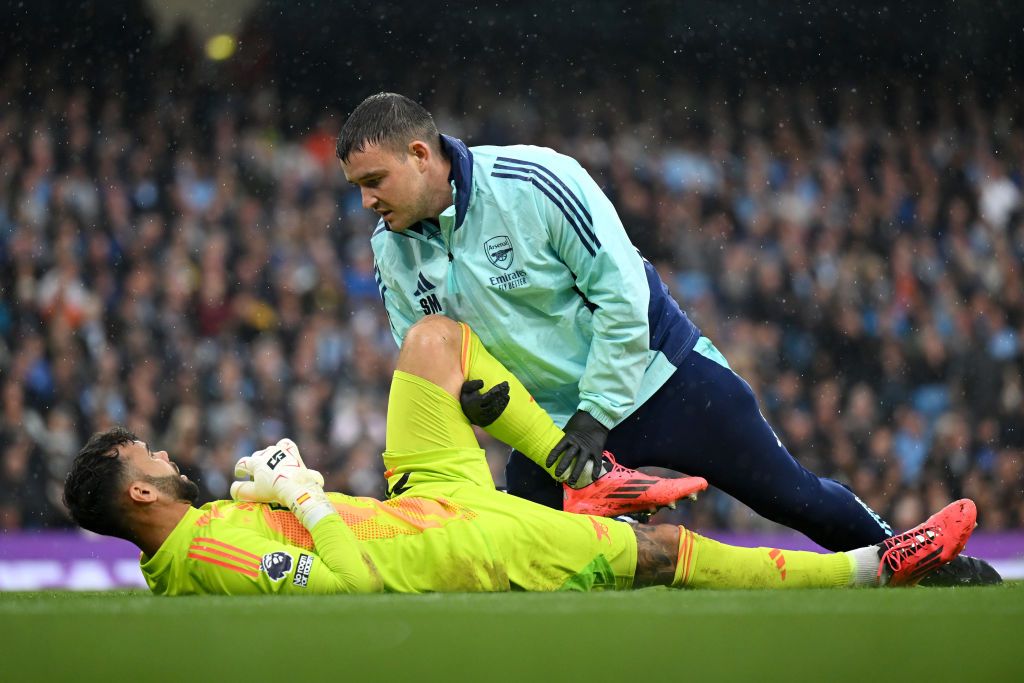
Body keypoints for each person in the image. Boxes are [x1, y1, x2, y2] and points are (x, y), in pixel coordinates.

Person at [337, 93, 999, 585]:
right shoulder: (390, 251)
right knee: (525, 561)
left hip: (664, 379)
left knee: (789, 495)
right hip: (548, 429)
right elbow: (431, 354)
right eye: (357, 188)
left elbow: (623, 294)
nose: (367, 201)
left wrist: (594, 415)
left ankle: (921, 565)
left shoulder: (535, 182)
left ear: (420, 155)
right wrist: (484, 406)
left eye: (374, 182)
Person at [63, 315, 977, 595]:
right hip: (450, 542)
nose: (168, 451)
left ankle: (588, 472)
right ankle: (868, 568)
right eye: (152, 454)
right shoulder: (215, 549)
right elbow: (348, 590)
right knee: (657, 556)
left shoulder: (195, 544)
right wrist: (303, 492)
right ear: (141, 490)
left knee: (433, 342)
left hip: (424, 494)